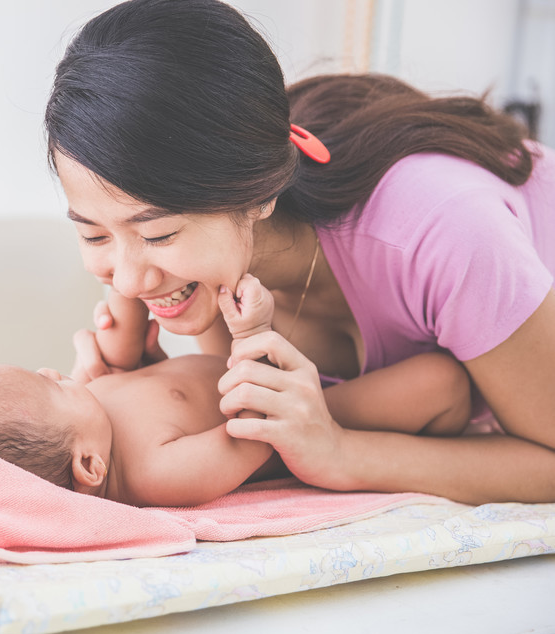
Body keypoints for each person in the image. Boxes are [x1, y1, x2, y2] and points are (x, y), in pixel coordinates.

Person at [42, 0, 555, 505]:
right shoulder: (213, 274)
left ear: (260, 192)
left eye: (158, 235)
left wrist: (343, 454)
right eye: (94, 235)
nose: (127, 283)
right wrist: (150, 401)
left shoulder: (445, 235)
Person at [0, 275, 471, 507]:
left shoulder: (87, 419)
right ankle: (444, 436)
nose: (51, 371)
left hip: (287, 384)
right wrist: (252, 334)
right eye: (51, 388)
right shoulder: (156, 475)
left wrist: (121, 306)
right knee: (441, 381)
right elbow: (258, 428)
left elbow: (116, 363)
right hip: (317, 414)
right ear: (88, 466)